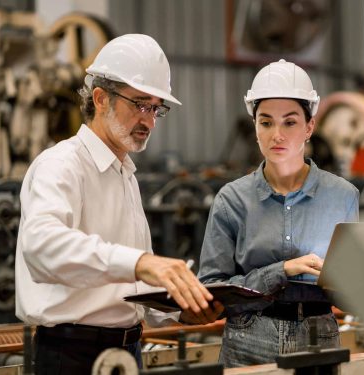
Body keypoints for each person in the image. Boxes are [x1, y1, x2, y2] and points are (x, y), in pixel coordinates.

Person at [15, 34, 223, 375]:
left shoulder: (125, 175)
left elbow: (132, 285)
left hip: (128, 351)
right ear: (100, 98)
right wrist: (142, 263)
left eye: (156, 108)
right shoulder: (62, 165)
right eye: (139, 104)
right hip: (72, 356)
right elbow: (42, 246)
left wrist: (181, 308)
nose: (149, 122)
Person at [198, 59, 359, 367]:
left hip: (319, 337)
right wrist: (281, 271)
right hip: (248, 339)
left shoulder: (343, 197)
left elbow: (351, 289)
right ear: (255, 127)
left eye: (290, 122)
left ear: (310, 127)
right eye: (266, 122)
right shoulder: (232, 200)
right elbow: (212, 290)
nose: (277, 135)